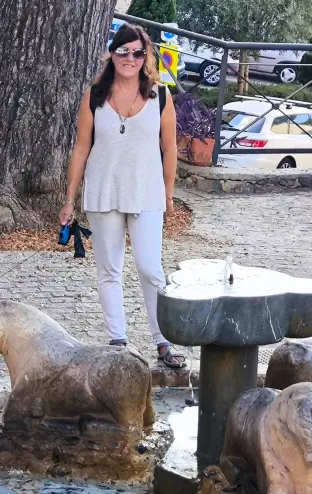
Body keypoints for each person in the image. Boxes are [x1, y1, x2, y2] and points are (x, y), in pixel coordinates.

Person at [59, 23, 186, 369]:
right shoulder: (94, 96)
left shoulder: (160, 96)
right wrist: (69, 199)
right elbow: (81, 149)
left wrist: (168, 193)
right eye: (123, 51)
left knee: (150, 268)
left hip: (147, 192)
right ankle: (118, 341)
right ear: (112, 54)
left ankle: (164, 340)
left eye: (138, 52)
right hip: (103, 191)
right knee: (109, 270)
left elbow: (169, 148)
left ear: (146, 57)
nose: (130, 58)